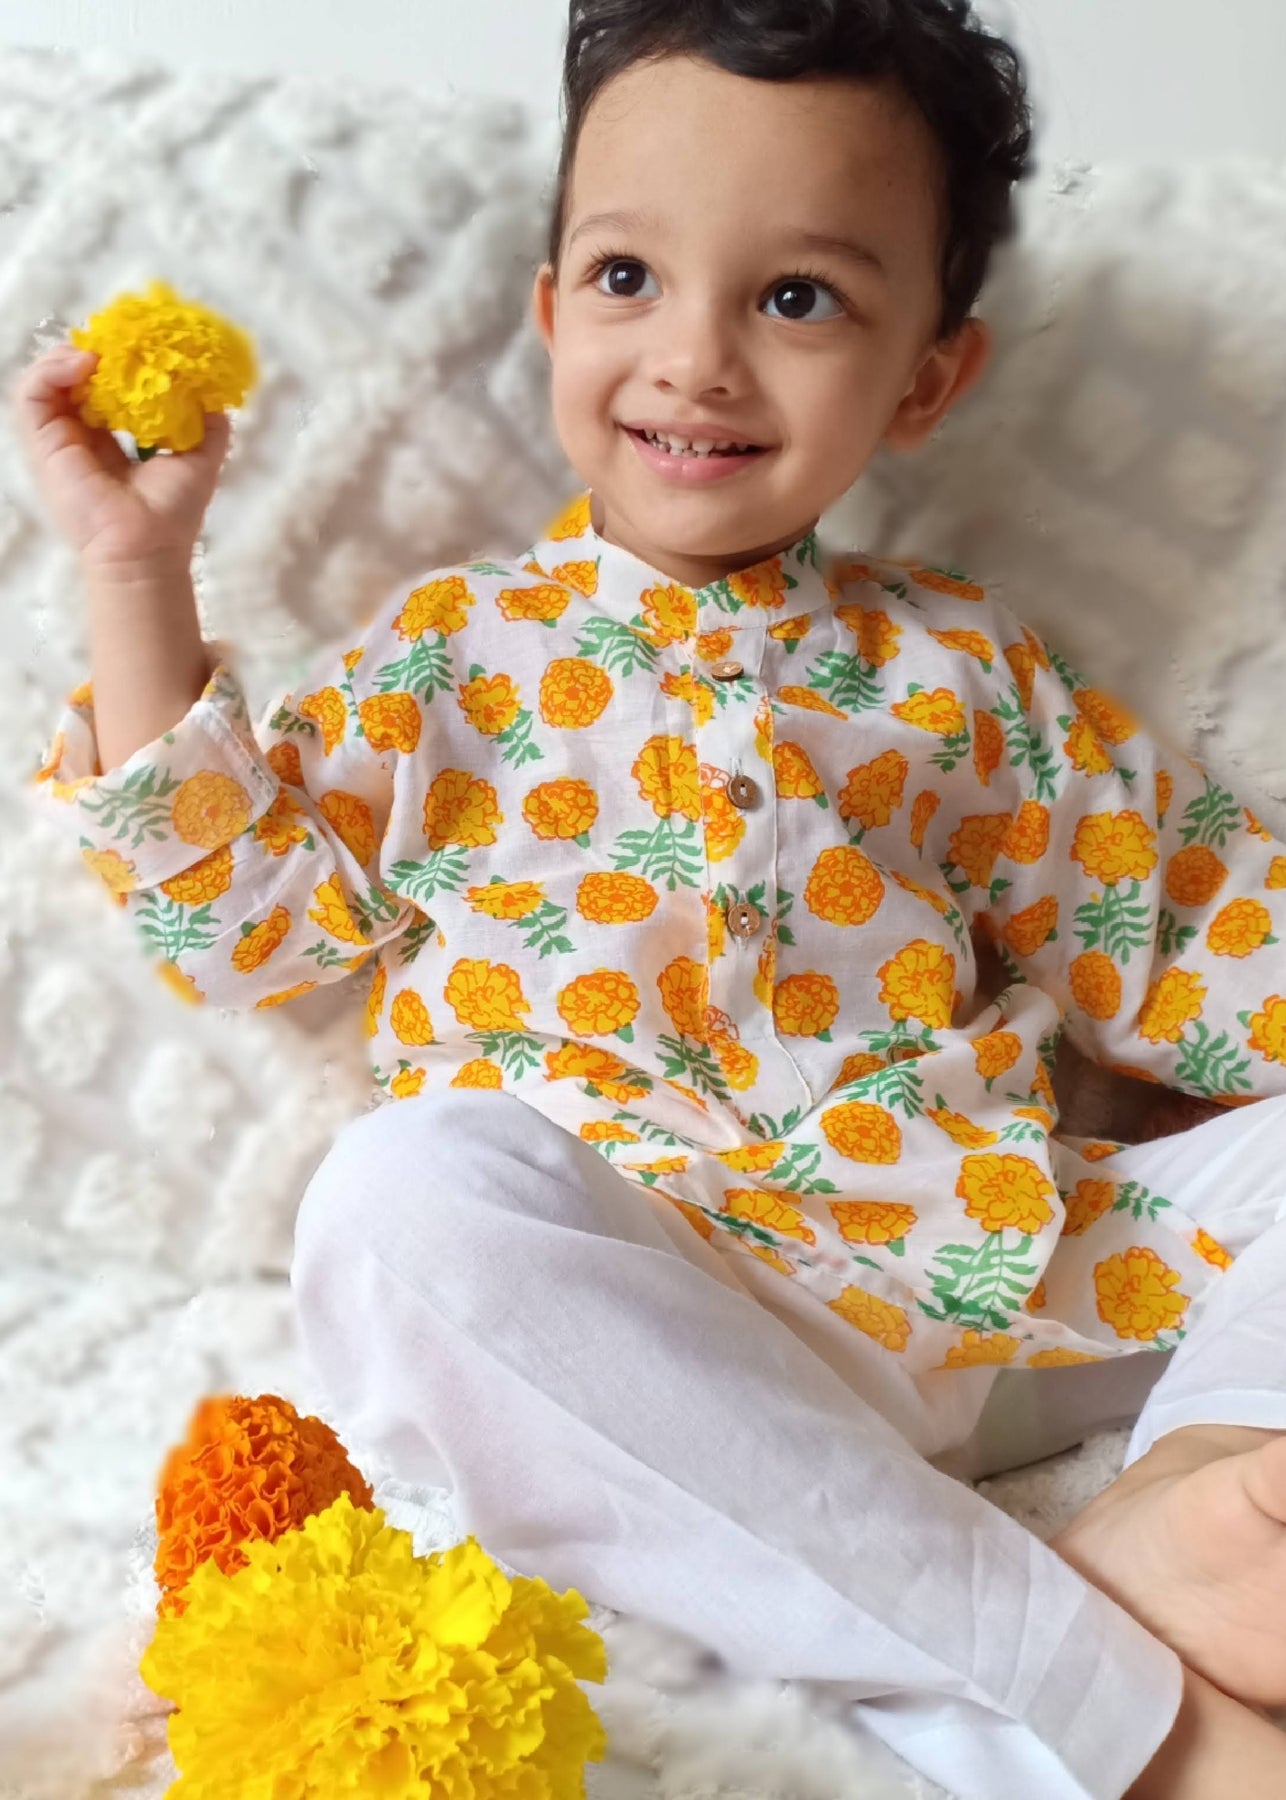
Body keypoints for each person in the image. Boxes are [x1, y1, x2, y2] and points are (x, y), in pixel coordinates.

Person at [14, 2, 1286, 1793]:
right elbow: (241, 927)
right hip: (621, 1325)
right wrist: (137, 566)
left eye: (796, 299)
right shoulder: (457, 652)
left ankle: (1200, 1502)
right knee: (397, 1201)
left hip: (962, 1267)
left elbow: (1182, 928)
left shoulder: (957, 666)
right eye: (629, 277)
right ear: (552, 311)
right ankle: (1119, 1717)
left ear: (924, 379)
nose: (695, 359)